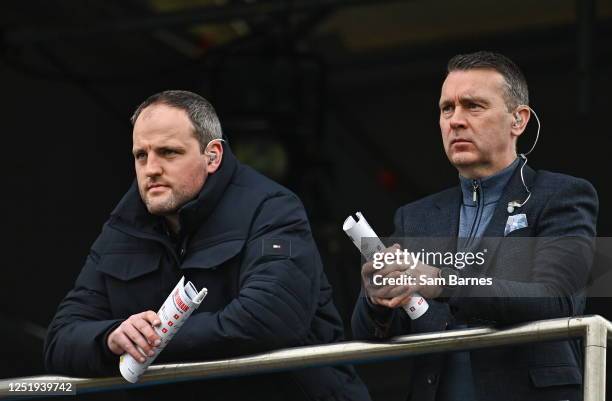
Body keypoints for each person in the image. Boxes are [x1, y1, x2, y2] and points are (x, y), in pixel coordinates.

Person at [44, 90, 371, 401]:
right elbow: (59, 340)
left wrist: (149, 342)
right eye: (141, 155)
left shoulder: (272, 208)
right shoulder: (122, 228)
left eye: (168, 152)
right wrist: (110, 338)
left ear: (212, 156)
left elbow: (270, 320)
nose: (151, 168)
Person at [352, 51, 598, 401]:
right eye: (446, 108)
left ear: (518, 120)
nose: (455, 120)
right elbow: (369, 338)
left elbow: (558, 298)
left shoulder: (561, 195)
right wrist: (376, 299)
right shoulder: (415, 216)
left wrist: (441, 282)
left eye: (474, 106)